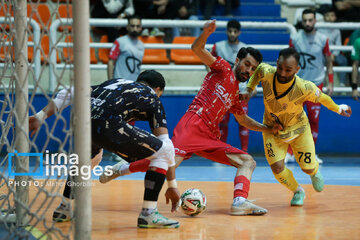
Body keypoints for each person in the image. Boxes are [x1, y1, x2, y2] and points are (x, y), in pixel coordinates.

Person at [101, 20, 282, 216]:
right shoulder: (221, 68)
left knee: (248, 161)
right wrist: (206, 32)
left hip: (210, 136)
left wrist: (268, 128)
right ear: (237, 60)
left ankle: (239, 201)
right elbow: (197, 48)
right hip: (193, 125)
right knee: (168, 163)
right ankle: (122, 169)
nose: (248, 71)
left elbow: (243, 120)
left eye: (253, 69)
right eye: (247, 64)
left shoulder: (235, 96)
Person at [29, 70, 181, 229]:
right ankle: (148, 213)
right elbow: (166, 146)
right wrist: (172, 186)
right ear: (157, 89)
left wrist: (40, 116)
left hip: (82, 121)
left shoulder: (115, 82)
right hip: (108, 124)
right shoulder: (152, 96)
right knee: (163, 151)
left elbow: (71, 91)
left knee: (91, 159)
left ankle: (64, 208)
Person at [242, 47, 352, 206]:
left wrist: (338, 108)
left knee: (306, 168)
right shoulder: (266, 71)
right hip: (272, 128)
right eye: (280, 67)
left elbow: (323, 98)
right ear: (277, 63)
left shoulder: (304, 87)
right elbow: (257, 72)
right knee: (277, 168)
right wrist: (249, 88)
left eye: (288, 70)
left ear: (297, 69)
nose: (282, 73)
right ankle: (297, 191)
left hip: (299, 129)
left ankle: (313, 171)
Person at [288, 8, 334, 164]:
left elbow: (329, 61)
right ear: (302, 21)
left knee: (314, 121)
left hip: (316, 85)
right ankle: (290, 153)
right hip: (298, 85)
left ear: (315, 21)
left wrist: (331, 82)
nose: (307, 23)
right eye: (305, 20)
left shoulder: (323, 39)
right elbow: (288, 61)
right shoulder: (295, 38)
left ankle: (311, 154)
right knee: (292, 120)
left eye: (310, 20)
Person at [210, 19, 250, 151]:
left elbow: (253, 70)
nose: (232, 34)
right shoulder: (218, 46)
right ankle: (221, 151)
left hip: (241, 91)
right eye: (230, 31)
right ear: (226, 31)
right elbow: (209, 63)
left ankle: (244, 151)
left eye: (235, 31)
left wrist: (251, 87)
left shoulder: (245, 49)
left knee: (243, 122)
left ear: (239, 32)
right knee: (222, 122)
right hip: (224, 91)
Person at [318, 6, 349, 87]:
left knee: (343, 60)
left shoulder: (337, 30)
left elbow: (338, 45)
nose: (329, 18)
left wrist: (334, 55)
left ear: (335, 17)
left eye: (332, 15)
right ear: (324, 17)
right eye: (327, 15)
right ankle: (321, 83)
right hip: (321, 53)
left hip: (333, 53)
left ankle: (342, 83)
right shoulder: (319, 28)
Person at [108, 15, 144, 81]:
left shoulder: (141, 44)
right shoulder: (119, 41)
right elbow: (111, 62)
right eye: (132, 26)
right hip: (120, 83)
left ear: (141, 28)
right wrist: (110, 82)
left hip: (134, 84)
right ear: (127, 27)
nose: (135, 29)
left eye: (137, 26)